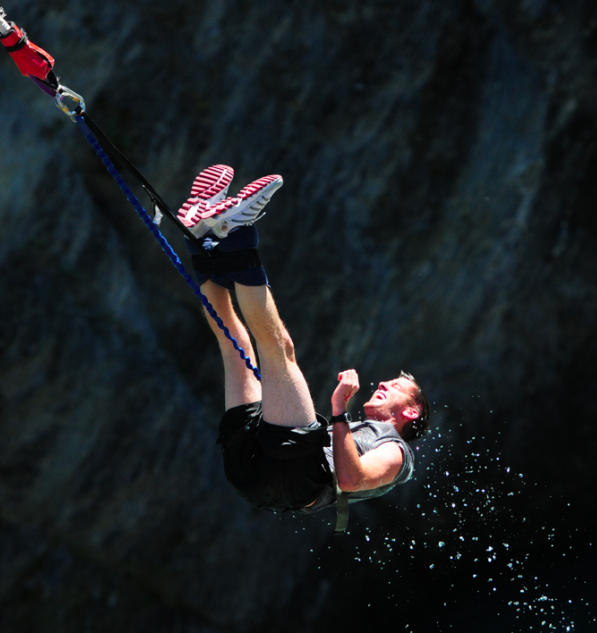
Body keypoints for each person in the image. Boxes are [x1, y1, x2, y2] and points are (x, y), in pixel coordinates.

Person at [177, 165, 431, 525]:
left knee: (281, 349)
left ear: (411, 412)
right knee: (234, 343)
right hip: (254, 471)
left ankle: (238, 234)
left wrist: (339, 409)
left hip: (292, 480)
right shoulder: (359, 431)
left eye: (397, 387)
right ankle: (202, 239)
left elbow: (351, 480)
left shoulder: (399, 453)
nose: (384, 383)